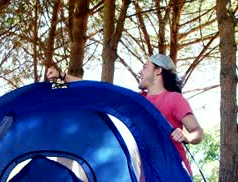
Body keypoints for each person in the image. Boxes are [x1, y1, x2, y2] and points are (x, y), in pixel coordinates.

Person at [46, 54, 203, 175]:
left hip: (173, 174)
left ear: (158, 70)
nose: (140, 71)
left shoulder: (174, 99)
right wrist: (62, 76)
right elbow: (101, 92)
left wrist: (187, 136)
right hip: (145, 176)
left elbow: (197, 131)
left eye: (145, 67)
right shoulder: (139, 100)